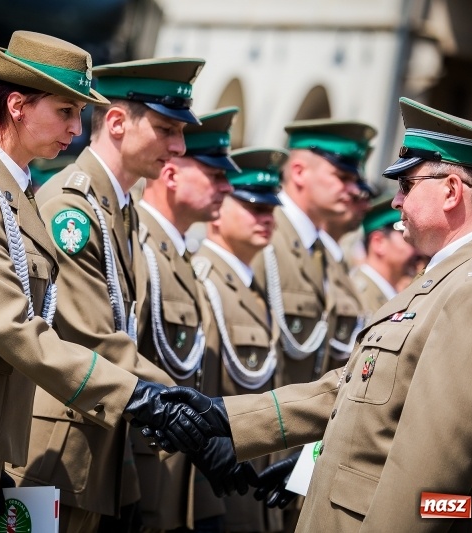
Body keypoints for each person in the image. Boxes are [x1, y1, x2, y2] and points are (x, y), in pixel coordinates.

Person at [150, 97, 472, 531]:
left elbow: (432, 471)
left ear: (451, 190)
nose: (395, 202)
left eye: (408, 185)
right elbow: (360, 388)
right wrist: (226, 417)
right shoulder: (462, 276)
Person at [0, 31, 208, 532]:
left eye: (80, 114)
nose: (75, 127)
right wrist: (137, 395)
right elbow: (12, 326)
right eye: (65, 112)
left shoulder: (17, 191)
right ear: (19, 106)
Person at [8, 56, 214, 533]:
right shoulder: (72, 209)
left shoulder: (121, 212)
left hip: (95, 453)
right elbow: (95, 339)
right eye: (166, 129)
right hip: (53, 456)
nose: (180, 147)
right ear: (118, 123)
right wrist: (196, 409)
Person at [134, 107, 237, 531]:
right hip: (136, 467)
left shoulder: (179, 257)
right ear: (172, 176)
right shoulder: (139, 245)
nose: (226, 187)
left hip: (172, 475)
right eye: (214, 176)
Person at [192, 147, 288, 533]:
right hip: (218, 484)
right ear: (218, 210)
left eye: (270, 209)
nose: (266, 218)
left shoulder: (255, 289)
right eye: (252, 207)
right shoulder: (204, 281)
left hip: (255, 487)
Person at [252, 120, 376, 393]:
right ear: (299, 172)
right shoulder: (265, 240)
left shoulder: (324, 253)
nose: (355, 190)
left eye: (355, 180)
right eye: (342, 178)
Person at [351, 195, 418, 316]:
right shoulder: (355, 296)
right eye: (404, 233)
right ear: (378, 242)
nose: (416, 249)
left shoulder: (387, 292)